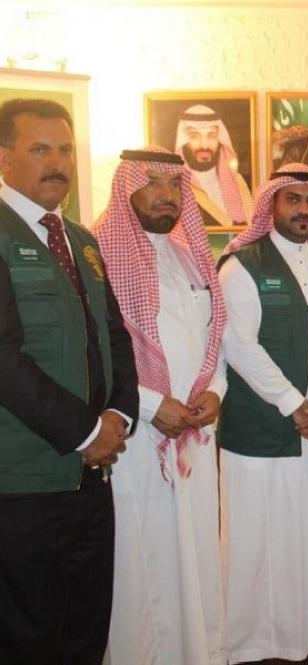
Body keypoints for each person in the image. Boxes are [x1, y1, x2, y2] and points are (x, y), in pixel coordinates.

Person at [0, 98, 139, 664]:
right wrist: (85, 432)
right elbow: (3, 358)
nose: (57, 163)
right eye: (40, 149)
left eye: (64, 149)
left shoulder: (81, 238)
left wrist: (119, 415)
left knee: (86, 631)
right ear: (4, 157)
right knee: (27, 637)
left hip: (90, 481)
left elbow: (114, 336)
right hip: (23, 484)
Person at [216, 163, 308, 664]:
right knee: (255, 540)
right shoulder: (242, 265)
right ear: (271, 204)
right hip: (260, 429)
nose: (303, 209)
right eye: (292, 199)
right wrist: (295, 404)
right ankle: (248, 643)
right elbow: (238, 345)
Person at [93, 147, 228, 665]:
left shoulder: (190, 256)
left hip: (193, 433)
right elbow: (98, 351)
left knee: (197, 552)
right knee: (143, 559)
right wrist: (152, 407)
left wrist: (216, 392)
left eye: (174, 184)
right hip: (135, 436)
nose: (166, 195)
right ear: (126, 186)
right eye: (152, 182)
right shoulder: (98, 255)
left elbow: (215, 337)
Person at [174, 104, 252, 227]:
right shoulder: (176, 188)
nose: (204, 145)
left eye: (211, 135)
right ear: (183, 141)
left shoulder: (239, 182)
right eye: (194, 136)